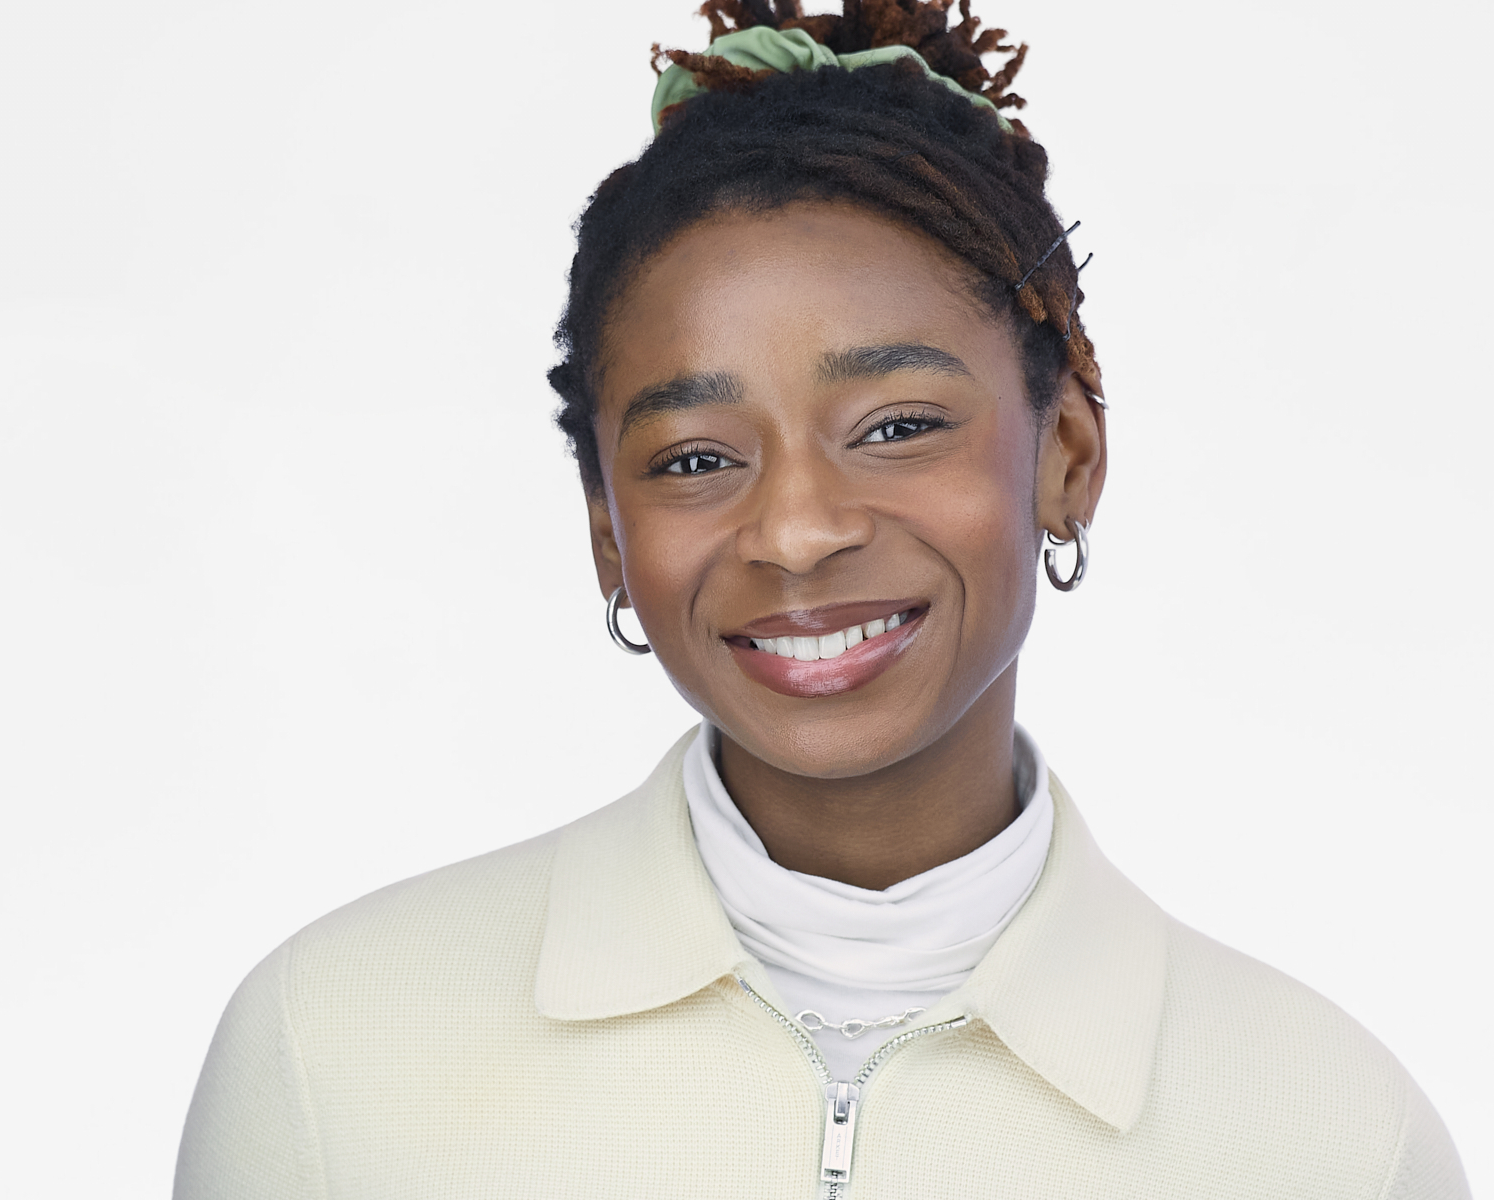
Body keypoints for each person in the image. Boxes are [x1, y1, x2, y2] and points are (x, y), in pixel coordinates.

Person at [174, 2, 1470, 1196]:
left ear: (1068, 456)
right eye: (694, 459)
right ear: (609, 534)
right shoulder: (330, 1050)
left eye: (897, 426)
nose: (796, 533)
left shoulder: (1330, 1140)